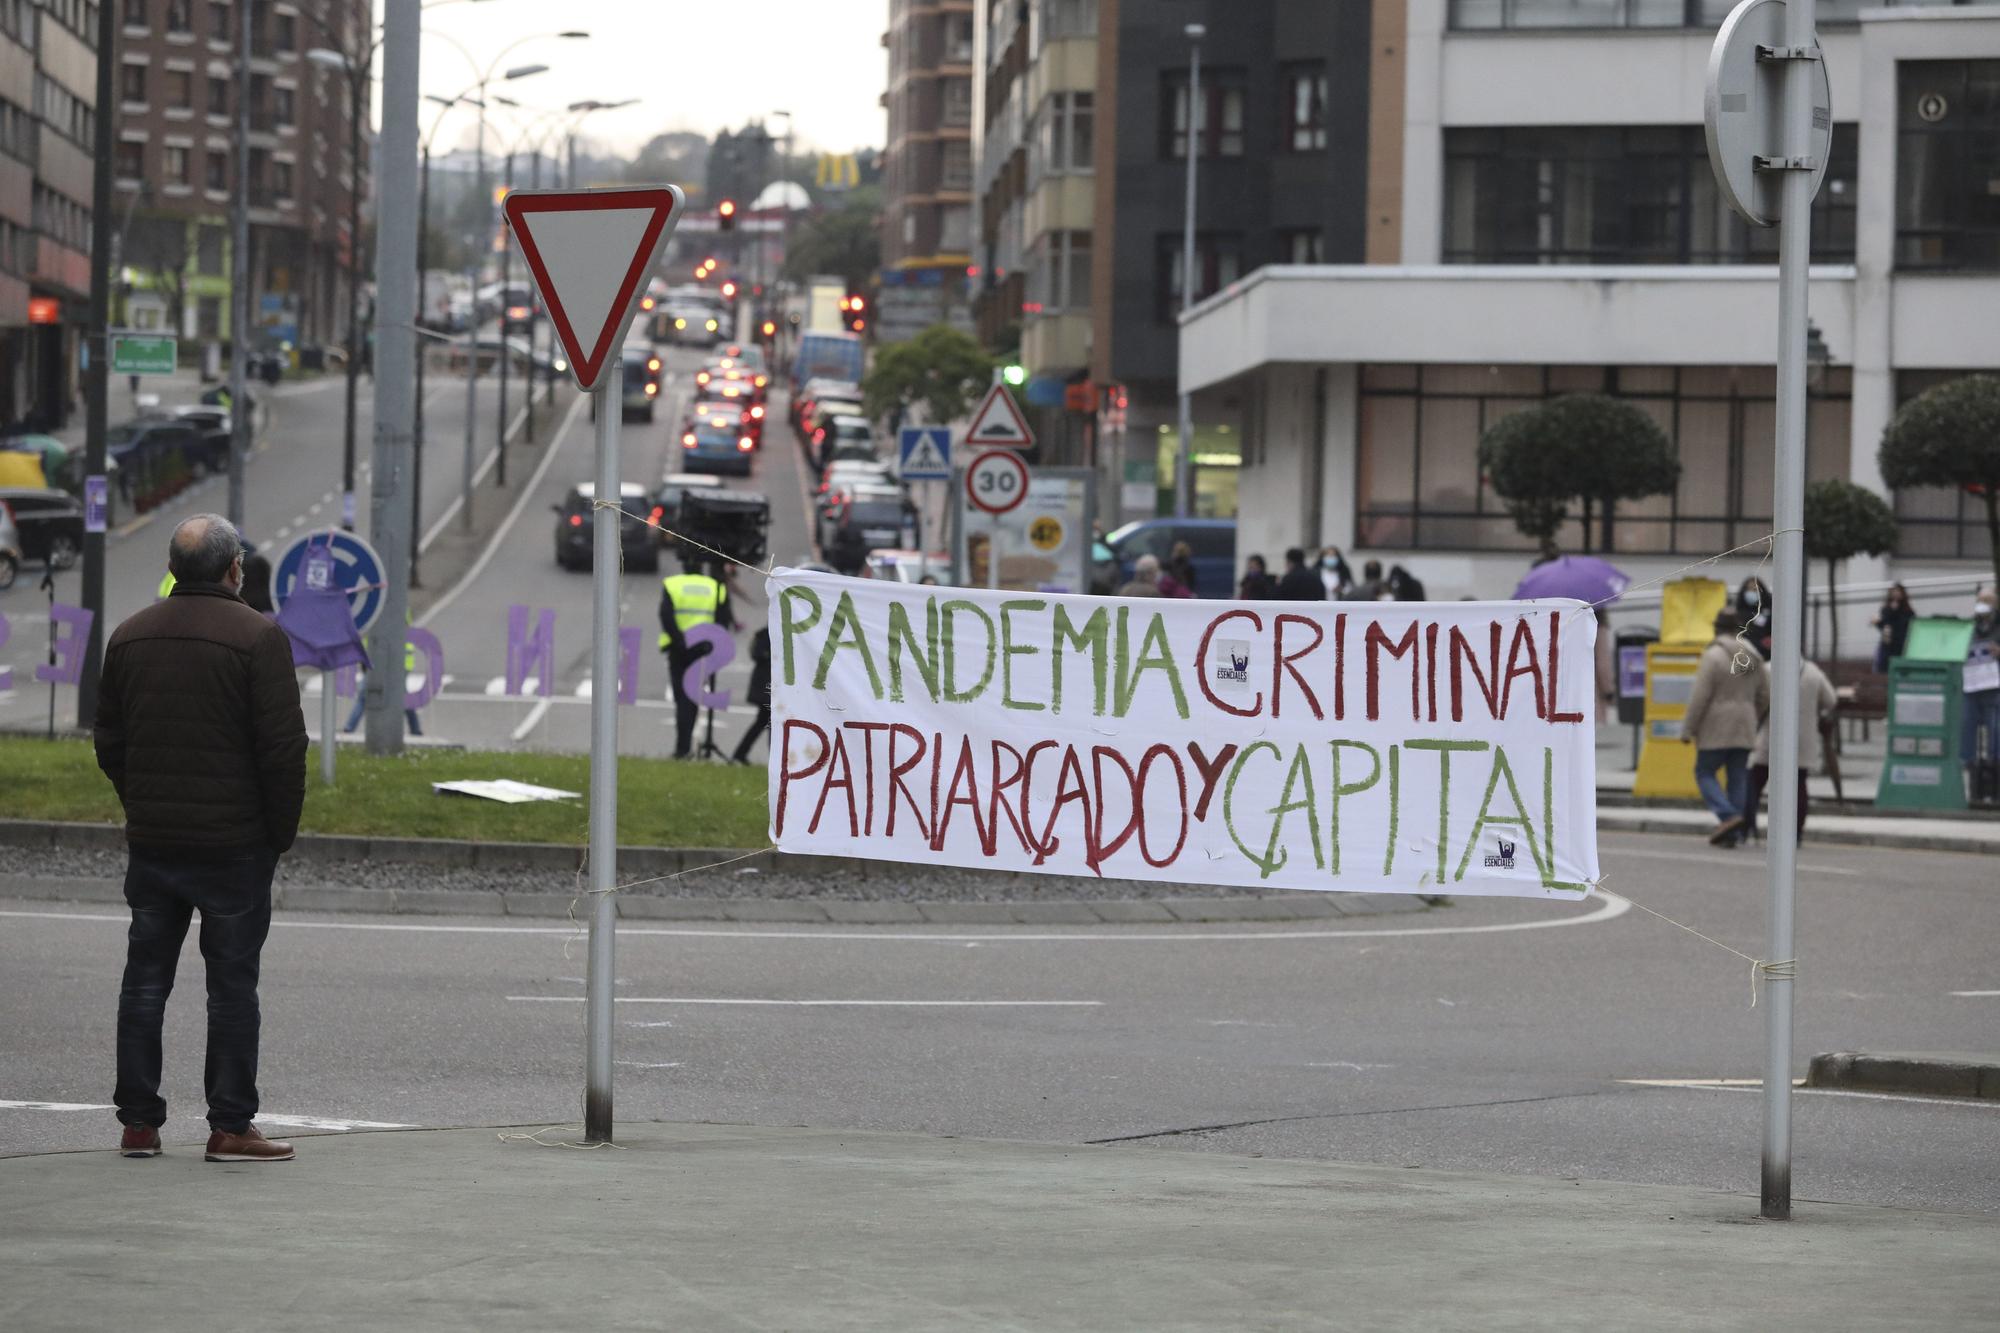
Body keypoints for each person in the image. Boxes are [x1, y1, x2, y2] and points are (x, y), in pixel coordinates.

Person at [93, 514, 307, 1163]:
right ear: (233, 569)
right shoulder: (258, 637)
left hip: (155, 843)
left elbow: (110, 743)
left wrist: (143, 804)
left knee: (144, 981)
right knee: (232, 986)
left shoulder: (129, 636)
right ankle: (230, 1124)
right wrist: (278, 834)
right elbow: (282, 751)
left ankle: (137, 1122)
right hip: (236, 847)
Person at [1683, 607, 1771, 847]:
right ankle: (1734, 832)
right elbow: (1765, 695)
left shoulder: (1713, 657)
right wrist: (1755, 716)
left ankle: (1728, 816)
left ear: (1716, 628)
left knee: (1704, 772)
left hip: (1715, 726)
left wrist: (1688, 728)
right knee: (1738, 777)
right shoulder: (1754, 656)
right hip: (1745, 724)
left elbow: (1700, 697)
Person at [1744, 654, 1837, 841]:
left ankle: (1746, 825)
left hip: (1772, 734)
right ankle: (1796, 832)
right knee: (1799, 784)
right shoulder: (1813, 672)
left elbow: (1755, 698)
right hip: (1802, 738)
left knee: (1756, 780)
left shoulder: (1767, 670)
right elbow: (1831, 700)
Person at [659, 559, 736, 759]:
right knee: (692, 699)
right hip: (702, 651)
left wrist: (680, 641)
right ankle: (683, 748)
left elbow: (666, 616)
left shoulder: (672, 584)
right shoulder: (713, 587)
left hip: (678, 650)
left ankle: (682, 748)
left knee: (681, 698)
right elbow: (722, 620)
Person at [1964, 590, 2000, 804]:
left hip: (1995, 688)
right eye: (1979, 601)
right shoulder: (1970, 627)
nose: (1982, 605)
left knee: (1995, 732)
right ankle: (1973, 776)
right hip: (1972, 686)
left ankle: (1994, 779)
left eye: (1987, 601)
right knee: (1968, 729)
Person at [731, 627, 772, 766]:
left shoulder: (764, 633)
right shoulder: (768, 634)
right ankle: (774, 757)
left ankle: (740, 753)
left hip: (765, 686)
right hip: (766, 686)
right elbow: (757, 654)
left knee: (763, 722)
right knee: (770, 722)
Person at [1872, 583, 1914, 674]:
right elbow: (1884, 624)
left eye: (1898, 592)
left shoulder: (1908, 611)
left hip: (1902, 644)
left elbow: (1907, 624)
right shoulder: (1886, 609)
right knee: (1884, 668)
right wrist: (1877, 623)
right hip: (1888, 644)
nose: (1896, 594)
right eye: (1894, 592)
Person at [1735, 576, 1774, 660]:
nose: (1751, 593)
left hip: (1765, 656)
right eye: (1749, 589)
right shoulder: (1738, 613)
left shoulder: (1770, 611)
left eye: (1755, 590)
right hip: (1743, 656)